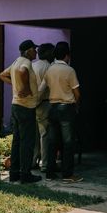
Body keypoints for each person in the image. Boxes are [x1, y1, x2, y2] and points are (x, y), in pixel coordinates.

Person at [0, 40, 42, 183]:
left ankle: (14, 173)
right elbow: (22, 71)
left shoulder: (16, 61)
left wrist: (17, 86)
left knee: (17, 141)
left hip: (16, 106)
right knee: (27, 142)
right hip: (26, 107)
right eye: (34, 49)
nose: (36, 52)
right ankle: (25, 174)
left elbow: (2, 75)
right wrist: (25, 87)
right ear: (28, 51)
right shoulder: (26, 63)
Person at [41, 41, 83, 182]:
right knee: (68, 142)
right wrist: (76, 106)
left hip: (53, 107)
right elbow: (77, 93)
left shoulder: (50, 69)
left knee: (52, 142)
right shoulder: (69, 71)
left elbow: (42, 89)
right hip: (66, 107)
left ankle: (50, 173)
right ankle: (67, 174)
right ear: (67, 55)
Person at [32, 43, 54, 172]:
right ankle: (45, 164)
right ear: (47, 53)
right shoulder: (49, 67)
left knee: (34, 135)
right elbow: (44, 88)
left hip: (32, 104)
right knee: (44, 135)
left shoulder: (32, 66)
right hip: (44, 103)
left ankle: (33, 161)